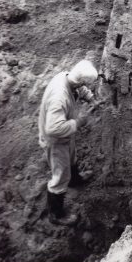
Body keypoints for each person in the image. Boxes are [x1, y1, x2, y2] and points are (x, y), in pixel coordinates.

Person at [38, 59, 98, 226]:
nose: (85, 87)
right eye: (86, 84)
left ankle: (75, 180)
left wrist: (91, 99)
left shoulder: (68, 77)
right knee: (60, 174)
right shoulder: (59, 97)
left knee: (71, 156)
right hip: (55, 139)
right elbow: (52, 128)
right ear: (80, 79)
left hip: (65, 132)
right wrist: (78, 122)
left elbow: (80, 87)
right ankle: (56, 214)